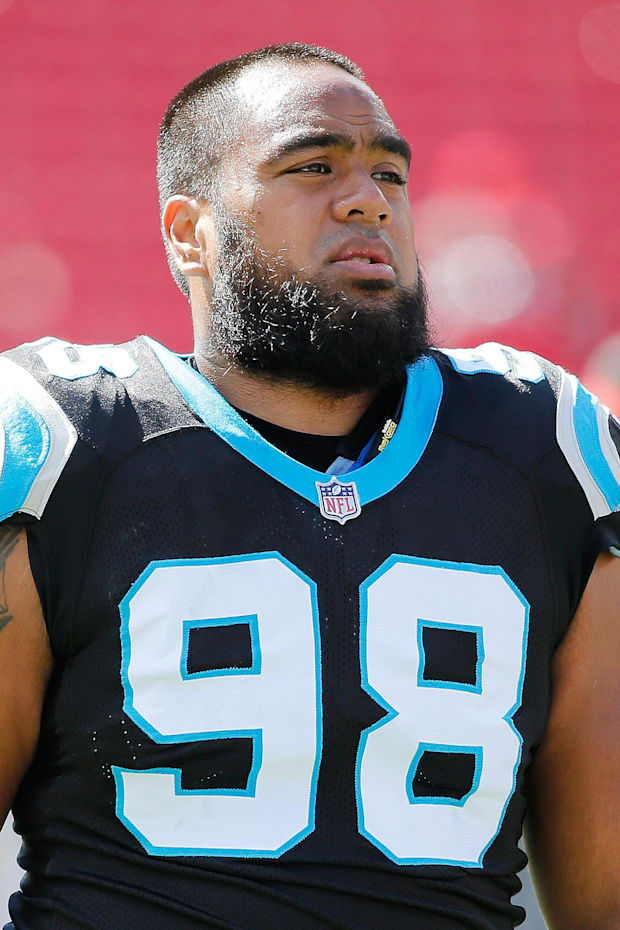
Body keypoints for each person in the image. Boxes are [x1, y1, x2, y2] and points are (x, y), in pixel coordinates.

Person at [0, 42, 618, 930]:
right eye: (313, 165)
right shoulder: (64, 444)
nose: (368, 198)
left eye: (390, 176)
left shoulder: (544, 449)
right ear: (190, 231)